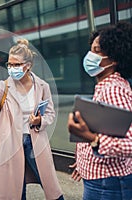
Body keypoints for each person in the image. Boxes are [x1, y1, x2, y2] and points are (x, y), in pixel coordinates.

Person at [0, 39, 63, 200]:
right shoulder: (4, 87)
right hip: (11, 143)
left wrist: (39, 121)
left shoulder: (42, 86)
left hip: (35, 143)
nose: (11, 68)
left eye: (16, 65)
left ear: (27, 65)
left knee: (50, 185)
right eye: (9, 64)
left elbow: (50, 114)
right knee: (15, 188)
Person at [67, 21, 132, 200]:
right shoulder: (105, 86)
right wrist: (82, 162)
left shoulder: (113, 89)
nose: (90, 55)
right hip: (101, 179)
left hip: (108, 184)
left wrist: (93, 139)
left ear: (114, 58)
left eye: (97, 51)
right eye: (91, 49)